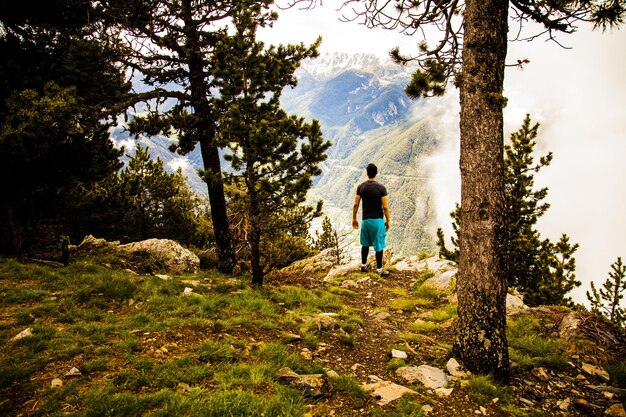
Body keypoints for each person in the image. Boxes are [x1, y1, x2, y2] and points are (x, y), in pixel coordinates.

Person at [352, 163, 391, 276]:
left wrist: (354, 219)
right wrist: (388, 221)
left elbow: (355, 205)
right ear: (376, 173)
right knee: (379, 246)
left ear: (367, 173)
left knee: (365, 244)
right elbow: (385, 207)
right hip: (377, 221)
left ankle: (363, 266)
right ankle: (379, 270)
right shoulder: (381, 188)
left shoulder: (361, 187)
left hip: (365, 221)